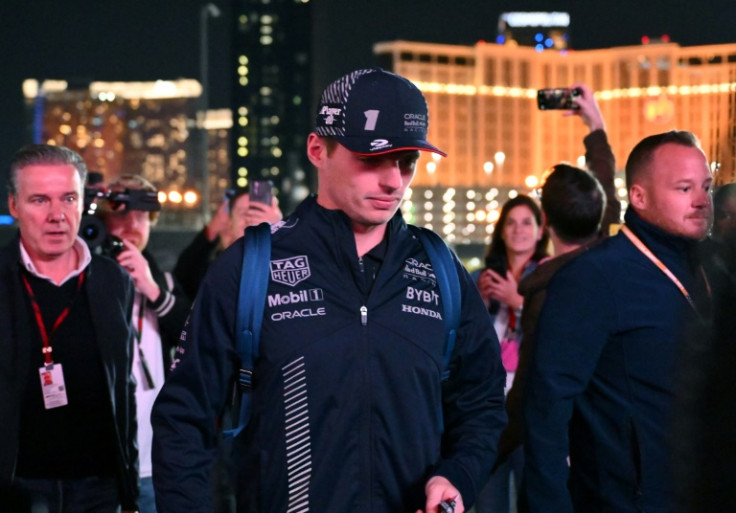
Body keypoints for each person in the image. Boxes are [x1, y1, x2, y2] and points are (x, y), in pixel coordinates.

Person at [152, 67, 508, 513]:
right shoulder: (250, 267)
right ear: (318, 149)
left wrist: (459, 474)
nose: (394, 181)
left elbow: (483, 404)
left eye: (406, 162)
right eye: (372, 159)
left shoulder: (441, 268)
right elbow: (183, 420)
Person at [521, 130, 713, 512]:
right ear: (639, 196)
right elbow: (546, 409)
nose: (701, 201)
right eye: (684, 188)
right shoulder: (594, 277)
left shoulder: (709, 270)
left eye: (706, 186)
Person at [0, 144, 138, 512]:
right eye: (40, 200)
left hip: (100, 487)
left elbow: (124, 388)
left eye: (68, 198)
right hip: (17, 488)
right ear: (14, 206)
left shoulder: (114, 280)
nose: (56, 215)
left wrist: (129, 488)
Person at [493, 82, 619, 472]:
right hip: (611, 455)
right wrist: (595, 123)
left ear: (544, 223)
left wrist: (468, 467)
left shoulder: (547, 292)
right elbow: (607, 192)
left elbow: (526, 395)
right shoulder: (614, 265)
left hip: (563, 461)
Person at [99, 174, 191, 513]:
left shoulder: (163, 281)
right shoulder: (86, 277)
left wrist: (151, 288)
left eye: (142, 217)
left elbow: (194, 339)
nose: (133, 225)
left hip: (155, 459)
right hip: (100, 461)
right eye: (123, 214)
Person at [471, 194, 547, 513]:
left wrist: (518, 302)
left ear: (541, 231)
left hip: (530, 404)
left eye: (527, 222)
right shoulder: (481, 277)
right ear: (501, 230)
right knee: (488, 501)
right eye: (511, 223)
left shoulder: (549, 275)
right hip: (488, 405)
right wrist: (480, 303)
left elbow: (558, 336)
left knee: (535, 497)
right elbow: (466, 342)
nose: (518, 230)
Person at [174, 186, 282, 300]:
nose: (251, 219)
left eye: (258, 212)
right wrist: (212, 230)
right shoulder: (217, 267)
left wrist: (278, 229)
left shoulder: (284, 257)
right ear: (230, 222)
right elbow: (182, 281)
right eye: (244, 213)